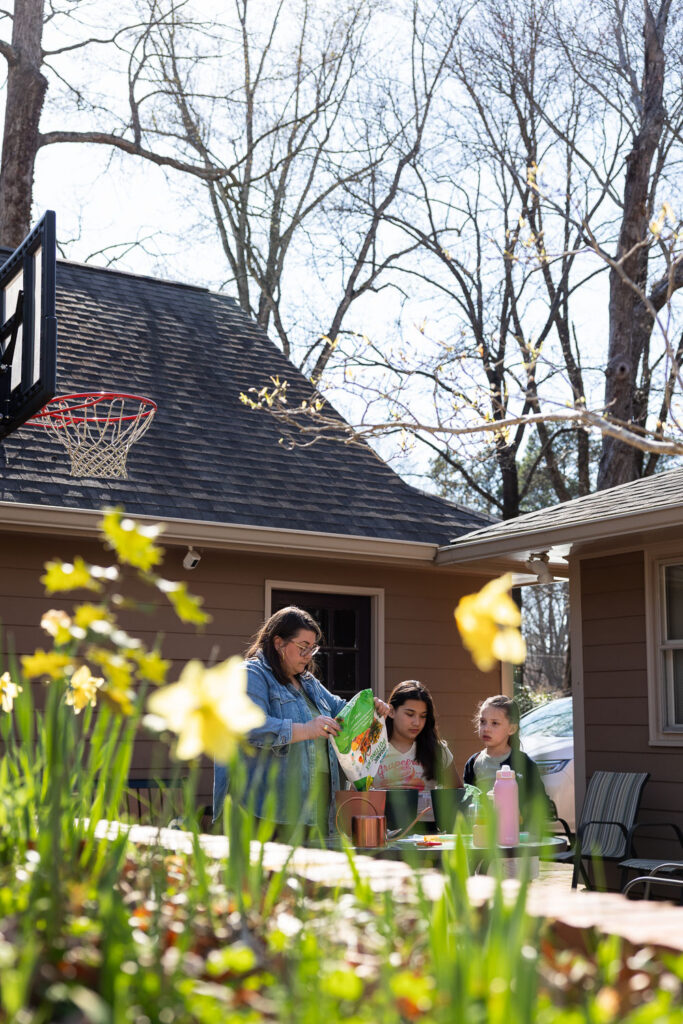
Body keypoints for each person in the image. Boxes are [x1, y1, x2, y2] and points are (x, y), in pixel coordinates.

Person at [213, 605, 389, 839]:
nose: (308, 656)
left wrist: (371, 708)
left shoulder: (307, 682)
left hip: (315, 810)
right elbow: (250, 727)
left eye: (312, 649)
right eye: (303, 647)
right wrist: (307, 729)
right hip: (267, 812)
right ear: (278, 643)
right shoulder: (250, 674)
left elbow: (342, 711)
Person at [372, 680, 462, 822]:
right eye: (410, 714)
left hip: (429, 836)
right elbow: (356, 796)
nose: (417, 722)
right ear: (391, 711)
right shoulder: (372, 749)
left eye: (423, 716)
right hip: (382, 833)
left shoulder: (438, 750)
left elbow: (457, 795)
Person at [463, 694, 550, 824]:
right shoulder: (473, 763)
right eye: (482, 721)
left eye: (495, 723)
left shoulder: (523, 763)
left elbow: (541, 803)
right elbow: (466, 802)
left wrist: (522, 815)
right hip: (483, 836)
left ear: (512, 728)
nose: (486, 728)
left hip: (517, 837)